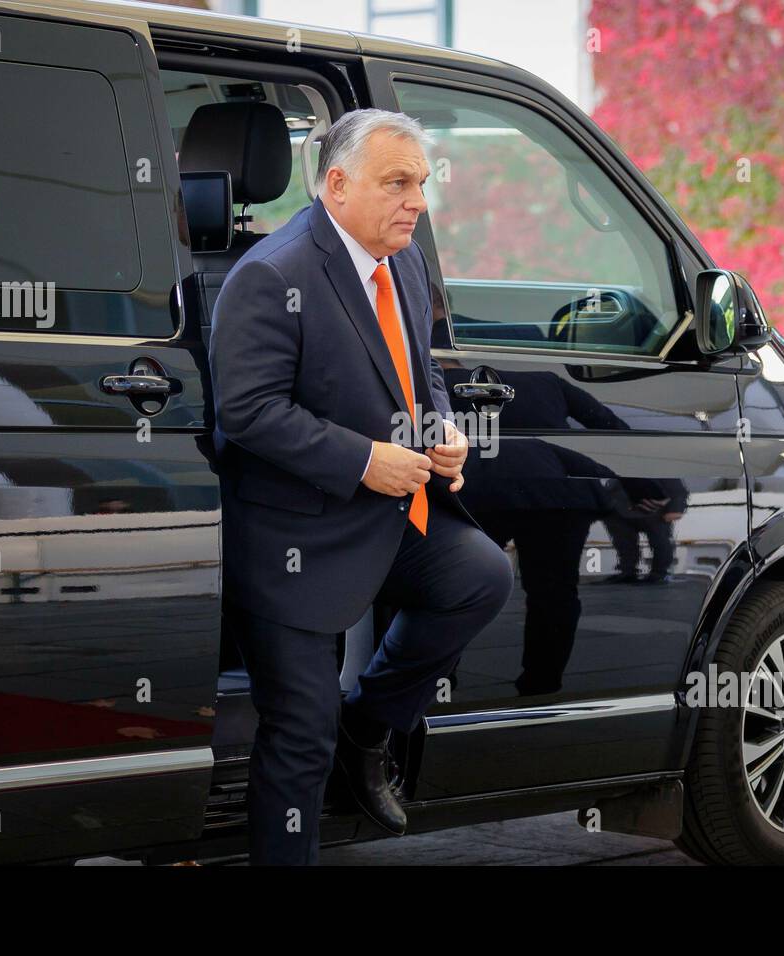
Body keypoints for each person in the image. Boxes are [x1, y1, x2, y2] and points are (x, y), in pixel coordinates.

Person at [209, 108, 514, 865]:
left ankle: (370, 722)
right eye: (398, 182)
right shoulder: (270, 276)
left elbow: (424, 369)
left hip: (390, 510)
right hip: (295, 536)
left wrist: (441, 428)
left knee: (481, 574)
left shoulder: (403, 258)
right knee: (299, 732)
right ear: (337, 185)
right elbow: (246, 413)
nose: (416, 200)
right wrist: (363, 460)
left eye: (420, 183)